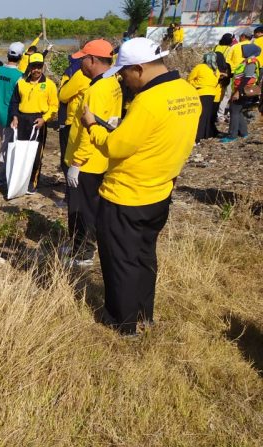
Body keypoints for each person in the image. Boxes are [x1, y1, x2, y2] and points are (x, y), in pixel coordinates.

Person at [83, 37, 200, 335]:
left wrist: (92, 127)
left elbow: (116, 147)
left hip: (126, 195)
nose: (123, 78)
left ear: (138, 68)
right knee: (145, 256)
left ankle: (123, 323)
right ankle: (144, 314)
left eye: (124, 73)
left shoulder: (148, 102)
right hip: (160, 190)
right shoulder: (187, 91)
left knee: (119, 259)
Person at [63, 40, 122, 267]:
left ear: (93, 60)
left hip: (87, 161)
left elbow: (90, 130)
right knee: (88, 206)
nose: (80, 64)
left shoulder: (97, 90)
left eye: (83, 59)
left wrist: (77, 162)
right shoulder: (112, 82)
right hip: (101, 157)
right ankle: (79, 243)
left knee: (82, 209)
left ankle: (83, 253)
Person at [9, 53, 58, 193]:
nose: (36, 70)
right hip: (22, 119)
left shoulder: (49, 85)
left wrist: (45, 118)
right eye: (34, 66)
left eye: (39, 67)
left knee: (36, 153)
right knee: (20, 151)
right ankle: (19, 180)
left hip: (38, 120)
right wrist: (15, 116)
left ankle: (32, 182)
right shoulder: (21, 82)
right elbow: (14, 102)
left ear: (43, 67)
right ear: (29, 67)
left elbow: (54, 106)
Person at [0, 43, 25, 189]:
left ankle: (3, 174)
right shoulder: (19, 76)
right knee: (6, 146)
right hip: (11, 117)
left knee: (4, 143)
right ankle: (1, 177)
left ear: (7, 55)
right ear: (21, 57)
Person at [57, 60, 90, 175]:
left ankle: (70, 189)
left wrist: (68, 81)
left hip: (74, 122)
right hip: (93, 121)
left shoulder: (80, 75)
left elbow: (63, 95)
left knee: (68, 159)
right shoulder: (110, 76)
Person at [223, 43, 260, 143]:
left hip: (242, 91)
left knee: (234, 110)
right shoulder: (247, 61)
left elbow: (247, 78)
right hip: (240, 89)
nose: (242, 52)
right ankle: (243, 132)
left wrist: (238, 92)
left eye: (244, 50)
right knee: (238, 111)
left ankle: (232, 135)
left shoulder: (251, 62)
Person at [188, 52, 222, 142]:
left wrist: (195, 84)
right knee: (207, 115)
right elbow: (216, 81)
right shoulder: (215, 69)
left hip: (201, 92)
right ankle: (205, 134)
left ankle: (197, 137)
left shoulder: (199, 67)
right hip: (212, 94)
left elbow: (190, 78)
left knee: (200, 115)